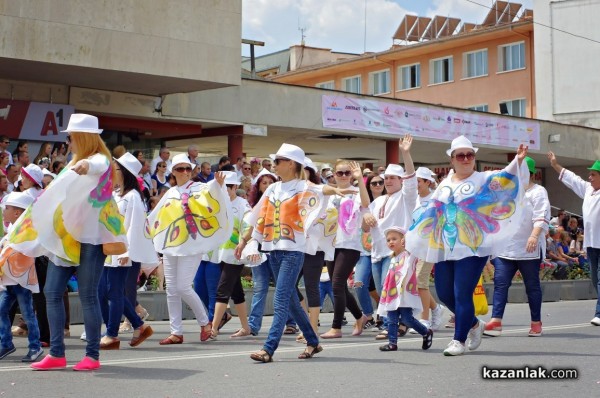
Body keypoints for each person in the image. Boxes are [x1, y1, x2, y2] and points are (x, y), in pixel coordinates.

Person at [9, 114, 128, 371]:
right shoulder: (73, 163)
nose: (69, 142)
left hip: (92, 240)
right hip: (67, 239)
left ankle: (92, 356)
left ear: (83, 137)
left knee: (87, 295)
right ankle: (56, 354)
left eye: (72, 137)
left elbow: (97, 164)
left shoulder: (100, 160)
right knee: (51, 292)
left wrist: (87, 167)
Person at [406, 135, 529, 356]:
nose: (465, 159)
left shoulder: (483, 178)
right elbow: (431, 210)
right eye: (460, 156)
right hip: (445, 246)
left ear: (474, 158)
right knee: (444, 293)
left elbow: (504, 178)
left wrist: (517, 161)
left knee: (462, 293)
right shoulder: (444, 183)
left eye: (469, 155)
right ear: (452, 160)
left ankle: (458, 340)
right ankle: (474, 324)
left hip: (473, 247)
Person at [240, 143, 354, 362]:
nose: (273, 165)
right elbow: (258, 217)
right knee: (291, 299)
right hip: (273, 250)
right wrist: (245, 241)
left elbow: (322, 190)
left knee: (281, 299)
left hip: (293, 251)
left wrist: (337, 189)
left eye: (277, 161)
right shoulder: (273, 189)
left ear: (291, 164)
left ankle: (268, 348)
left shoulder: (303, 186)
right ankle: (312, 340)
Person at [146, 153, 231, 345]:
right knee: (172, 290)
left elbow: (212, 196)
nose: (184, 172)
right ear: (173, 172)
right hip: (171, 245)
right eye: (179, 169)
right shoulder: (170, 192)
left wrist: (218, 185)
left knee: (183, 287)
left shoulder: (200, 188)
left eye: (187, 168)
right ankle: (176, 332)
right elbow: (156, 216)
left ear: (192, 170)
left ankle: (205, 323)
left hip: (192, 245)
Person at [484, 157, 550, 338]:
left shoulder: (538, 192)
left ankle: (536, 323)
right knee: (500, 284)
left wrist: (534, 236)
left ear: (530, 173)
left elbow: (541, 215)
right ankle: (496, 321)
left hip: (528, 248)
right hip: (506, 249)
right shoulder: (507, 192)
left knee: (532, 286)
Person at [97, 152, 156, 349]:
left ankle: (112, 334)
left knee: (114, 292)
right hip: (109, 251)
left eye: (116, 168)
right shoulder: (115, 194)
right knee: (102, 292)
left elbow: (135, 227)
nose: (112, 171)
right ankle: (139, 325)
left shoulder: (133, 197)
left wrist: (125, 252)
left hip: (122, 252)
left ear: (126, 172)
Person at [362, 135, 417, 340]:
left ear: (401, 181)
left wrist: (406, 153)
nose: (388, 181)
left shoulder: (406, 197)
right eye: (386, 178)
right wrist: (366, 217)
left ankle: (390, 326)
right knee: (385, 292)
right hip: (376, 252)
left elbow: (411, 178)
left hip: (396, 253)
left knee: (388, 290)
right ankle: (403, 322)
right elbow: (365, 227)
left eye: (393, 178)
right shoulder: (378, 201)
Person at [548, 152, 600, 326]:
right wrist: (555, 164)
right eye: (590, 174)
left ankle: (599, 313)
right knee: (595, 279)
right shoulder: (588, 190)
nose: (590, 177)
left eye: (593, 174)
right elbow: (572, 179)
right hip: (591, 245)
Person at [320, 160, 370, 339]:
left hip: (349, 245)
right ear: (333, 174)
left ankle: (336, 327)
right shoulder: (329, 192)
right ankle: (359, 316)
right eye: (339, 173)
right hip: (330, 244)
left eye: (347, 173)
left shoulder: (357, 192)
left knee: (337, 284)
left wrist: (360, 180)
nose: (343, 176)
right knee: (339, 286)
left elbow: (365, 202)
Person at [0, 192, 43, 362]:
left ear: (18, 213)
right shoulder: (12, 228)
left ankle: (35, 346)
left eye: (7, 208)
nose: (4, 211)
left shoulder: (27, 229)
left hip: (21, 280)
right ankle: (6, 343)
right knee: (1, 310)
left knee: (27, 314)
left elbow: (21, 249)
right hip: (9, 280)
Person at [209, 171, 253, 339]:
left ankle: (213, 329)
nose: (226, 190)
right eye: (223, 186)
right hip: (221, 252)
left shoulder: (242, 204)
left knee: (223, 290)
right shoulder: (218, 203)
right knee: (236, 291)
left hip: (236, 253)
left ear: (235, 187)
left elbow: (250, 226)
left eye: (229, 186)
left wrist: (243, 243)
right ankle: (245, 328)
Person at [376, 227, 433, 352]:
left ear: (403, 240)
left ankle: (426, 332)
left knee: (407, 319)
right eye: (388, 240)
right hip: (392, 295)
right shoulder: (392, 258)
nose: (391, 242)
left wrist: (409, 241)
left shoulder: (409, 255)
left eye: (394, 239)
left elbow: (418, 247)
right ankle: (392, 343)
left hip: (404, 296)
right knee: (391, 319)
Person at [410, 166, 445, 333]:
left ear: (427, 182)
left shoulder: (435, 199)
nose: (416, 184)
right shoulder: (412, 199)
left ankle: (424, 319)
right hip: (414, 247)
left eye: (418, 181)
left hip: (431, 246)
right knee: (416, 282)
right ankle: (436, 308)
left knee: (419, 280)